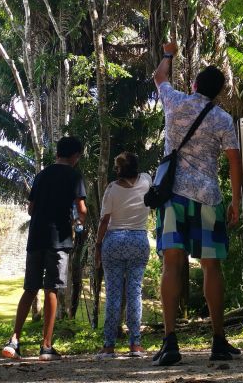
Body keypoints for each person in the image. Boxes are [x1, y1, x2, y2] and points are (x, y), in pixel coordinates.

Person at [151, 42, 243, 366]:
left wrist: (168, 54)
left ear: (193, 86)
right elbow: (234, 160)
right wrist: (235, 199)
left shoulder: (174, 102)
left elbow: (159, 77)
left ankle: (170, 342)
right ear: (218, 93)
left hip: (173, 195)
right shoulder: (222, 118)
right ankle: (218, 340)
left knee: (172, 265)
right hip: (207, 197)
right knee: (211, 266)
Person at [1, 136, 87, 361]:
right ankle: (46, 346)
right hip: (58, 239)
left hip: (36, 237)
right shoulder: (74, 175)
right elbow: (82, 209)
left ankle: (14, 341)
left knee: (30, 288)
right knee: (52, 289)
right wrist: (78, 225)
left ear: (58, 152)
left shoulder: (41, 175)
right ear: (75, 156)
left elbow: (31, 209)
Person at [94, 151, 152, 359]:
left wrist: (98, 245)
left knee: (113, 294)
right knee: (135, 293)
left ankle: (109, 346)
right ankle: (135, 344)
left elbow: (104, 221)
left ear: (120, 170)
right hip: (138, 240)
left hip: (114, 241)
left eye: (117, 167)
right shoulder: (146, 180)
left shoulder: (112, 189)